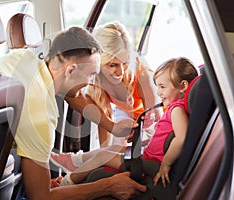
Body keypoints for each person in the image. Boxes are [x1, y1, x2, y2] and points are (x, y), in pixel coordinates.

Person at [0, 26, 146, 199]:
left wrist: (112, 126)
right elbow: (41, 197)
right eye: (91, 75)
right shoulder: (40, 117)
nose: (92, 83)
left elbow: (71, 93)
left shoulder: (24, 59)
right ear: (70, 70)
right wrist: (108, 187)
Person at [51, 57, 198, 188]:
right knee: (115, 147)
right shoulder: (179, 109)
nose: (158, 92)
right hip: (146, 156)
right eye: (158, 86)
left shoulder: (176, 110)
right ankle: (76, 161)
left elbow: (181, 138)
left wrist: (166, 164)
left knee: (104, 156)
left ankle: (66, 183)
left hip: (148, 164)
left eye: (163, 87)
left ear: (183, 86)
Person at [65, 21, 161, 149]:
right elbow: (105, 125)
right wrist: (105, 155)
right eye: (112, 65)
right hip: (132, 122)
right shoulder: (97, 82)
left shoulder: (143, 77)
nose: (121, 72)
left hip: (161, 123)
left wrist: (146, 125)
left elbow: (159, 121)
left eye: (125, 62)